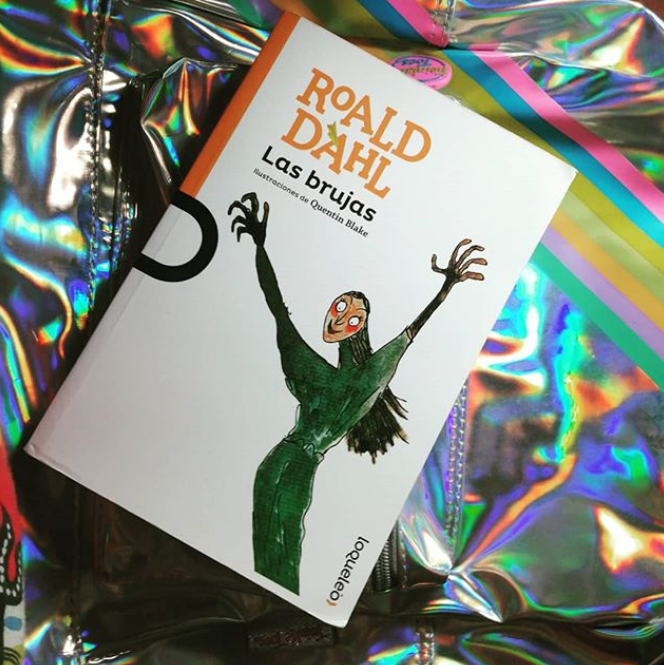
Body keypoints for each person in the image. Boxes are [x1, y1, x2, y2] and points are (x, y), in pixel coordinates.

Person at [228, 192, 486, 594]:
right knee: (267, 548)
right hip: (277, 461)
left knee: (284, 556)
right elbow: (276, 304)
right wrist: (260, 245)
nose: (340, 319)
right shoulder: (312, 368)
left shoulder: (368, 378)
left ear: (362, 328)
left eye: (353, 317)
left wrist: (447, 286)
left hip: (300, 465)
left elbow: (410, 334)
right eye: (339, 308)